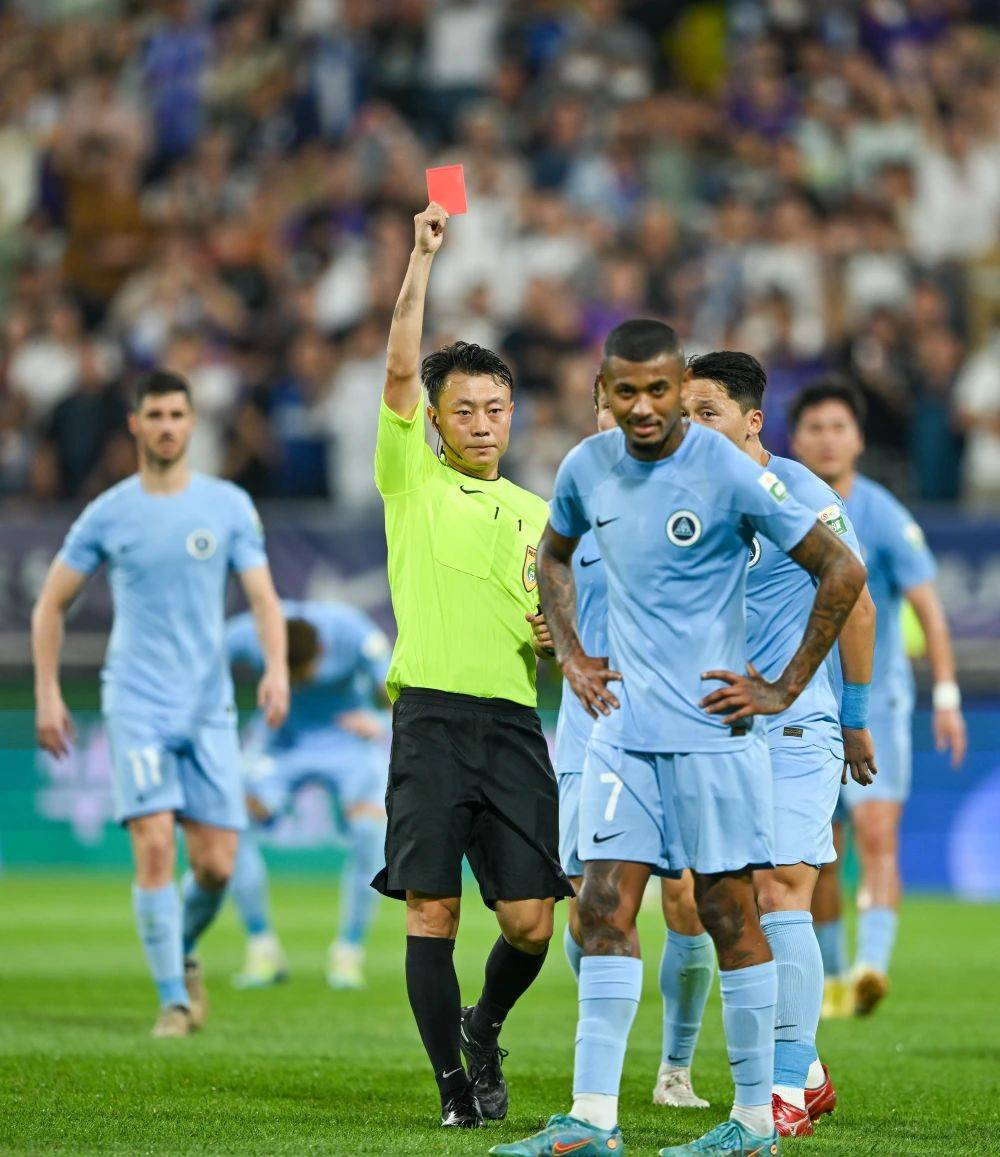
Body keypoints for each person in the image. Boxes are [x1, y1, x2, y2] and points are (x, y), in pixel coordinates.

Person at [493, 319, 867, 1157]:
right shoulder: (587, 467)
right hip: (622, 734)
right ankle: (593, 1119)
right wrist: (573, 652)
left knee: (729, 909)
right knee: (600, 908)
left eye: (658, 389)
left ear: (674, 388)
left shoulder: (730, 473)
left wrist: (782, 687)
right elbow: (553, 558)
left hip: (713, 737)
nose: (642, 406)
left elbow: (842, 571)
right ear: (605, 392)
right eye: (624, 390)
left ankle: (756, 1119)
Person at [372, 203, 573, 1129]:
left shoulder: (542, 513)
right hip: (431, 718)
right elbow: (397, 367)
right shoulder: (411, 478)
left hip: (513, 723)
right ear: (436, 419)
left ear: (512, 413)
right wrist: (421, 259)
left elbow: (566, 625)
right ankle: (454, 1088)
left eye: (495, 408)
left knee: (532, 922)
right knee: (433, 912)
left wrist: (559, 638)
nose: (482, 423)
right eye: (464, 410)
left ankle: (483, 1026)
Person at [32, 369, 288, 1038]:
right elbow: (50, 604)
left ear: (191, 422)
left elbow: (263, 598)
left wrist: (276, 669)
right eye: (156, 415)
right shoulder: (108, 512)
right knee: (152, 846)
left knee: (216, 865)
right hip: (137, 700)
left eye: (177, 414)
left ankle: (181, 947)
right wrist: (48, 692)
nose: (168, 426)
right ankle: (173, 999)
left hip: (207, 706)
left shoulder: (227, 504)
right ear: (136, 425)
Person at [682, 351, 877, 1136]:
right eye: (683, 414)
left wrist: (853, 714)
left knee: (781, 886)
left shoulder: (799, 493)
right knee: (727, 902)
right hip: (717, 728)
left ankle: (786, 1087)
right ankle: (810, 1071)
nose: (691, 428)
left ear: (751, 421)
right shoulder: (683, 501)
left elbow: (855, 596)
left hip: (797, 722)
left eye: (707, 413)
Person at [541, 377, 714, 1112]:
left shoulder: (694, 497)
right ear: (595, 414)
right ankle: (604, 1056)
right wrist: (554, 635)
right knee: (589, 908)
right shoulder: (570, 501)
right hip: (590, 733)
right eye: (609, 406)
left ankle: (675, 1069)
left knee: (688, 900)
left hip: (675, 729)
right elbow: (547, 596)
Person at [789, 379, 967, 1017]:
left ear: (859, 439)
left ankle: (872, 967)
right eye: (815, 428)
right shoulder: (780, 502)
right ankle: (837, 979)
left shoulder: (883, 513)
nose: (827, 440)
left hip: (879, 702)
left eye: (839, 427)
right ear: (795, 438)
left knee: (877, 831)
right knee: (821, 852)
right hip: (808, 702)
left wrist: (945, 695)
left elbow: (929, 609)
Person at [225, 601, 391, 991]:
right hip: (280, 743)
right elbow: (204, 667)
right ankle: (261, 948)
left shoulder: (352, 630)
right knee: (232, 823)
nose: (296, 683)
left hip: (346, 741)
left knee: (369, 832)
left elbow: (393, 682)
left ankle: (349, 952)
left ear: (321, 652)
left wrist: (381, 720)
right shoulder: (250, 631)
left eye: (299, 673)